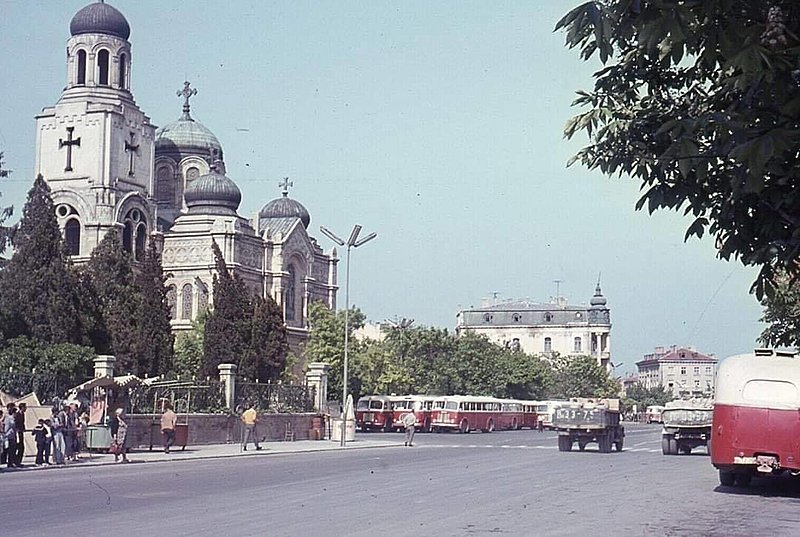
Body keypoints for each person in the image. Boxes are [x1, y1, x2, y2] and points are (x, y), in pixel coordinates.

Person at [14, 402, 26, 466]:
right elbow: (16, 423)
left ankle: (18, 461)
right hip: (18, 432)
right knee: (18, 447)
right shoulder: (17, 414)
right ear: (22, 407)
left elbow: (22, 423)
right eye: (25, 407)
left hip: (21, 432)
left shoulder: (23, 414)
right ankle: (15, 461)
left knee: (22, 447)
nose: (26, 408)